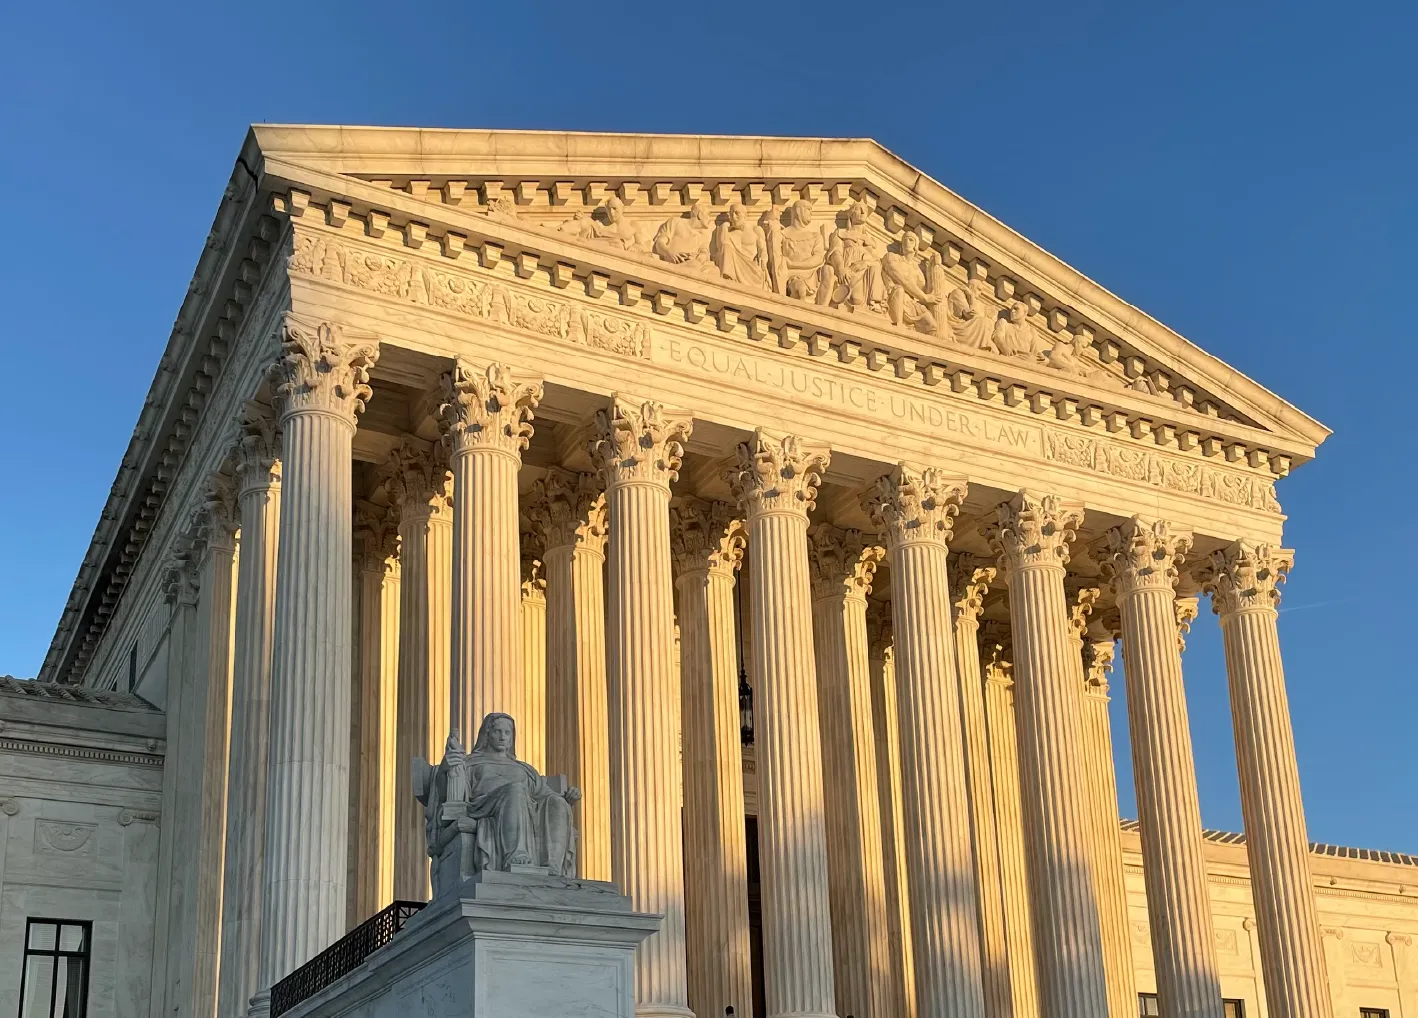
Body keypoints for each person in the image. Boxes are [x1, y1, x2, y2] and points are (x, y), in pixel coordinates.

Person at [441, 713, 579, 874]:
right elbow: (447, 791)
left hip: (525, 806)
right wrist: (446, 768)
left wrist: (567, 798)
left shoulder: (525, 769)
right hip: (484, 806)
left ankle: (552, 866)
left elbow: (543, 793)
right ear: (487, 734)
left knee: (557, 802)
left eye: (507, 733)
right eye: (497, 731)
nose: (502, 737)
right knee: (515, 790)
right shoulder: (470, 763)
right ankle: (516, 855)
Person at [881, 231, 950, 338]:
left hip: (910, 304)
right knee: (900, 290)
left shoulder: (917, 271)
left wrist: (932, 269)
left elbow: (927, 291)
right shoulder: (892, 257)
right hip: (893, 297)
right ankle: (897, 331)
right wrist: (925, 297)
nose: (906, 242)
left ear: (916, 246)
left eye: (911, 240)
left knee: (932, 326)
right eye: (904, 240)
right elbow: (902, 280)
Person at [818, 199, 883, 311]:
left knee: (875, 268)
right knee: (854, 299)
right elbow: (835, 252)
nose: (863, 212)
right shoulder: (840, 233)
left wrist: (865, 263)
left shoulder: (870, 240)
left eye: (865, 210)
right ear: (851, 214)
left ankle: (874, 303)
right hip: (847, 270)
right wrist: (841, 269)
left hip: (863, 271)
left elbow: (876, 260)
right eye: (859, 209)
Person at [765, 200, 829, 298]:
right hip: (791, 276)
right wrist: (772, 219)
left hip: (811, 275)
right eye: (808, 209)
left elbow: (818, 258)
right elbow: (773, 249)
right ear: (798, 211)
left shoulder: (815, 236)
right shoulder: (783, 234)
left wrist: (793, 264)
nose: (811, 213)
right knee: (800, 289)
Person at [712, 202, 769, 288]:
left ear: (745, 215)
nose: (733, 217)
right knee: (726, 247)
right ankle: (728, 279)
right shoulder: (727, 231)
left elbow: (763, 250)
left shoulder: (756, 230)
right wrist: (723, 228)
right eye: (731, 214)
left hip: (752, 269)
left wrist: (763, 260)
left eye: (737, 213)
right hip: (733, 268)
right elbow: (722, 246)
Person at [651, 200, 716, 276]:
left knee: (714, 270)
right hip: (672, 262)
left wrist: (698, 258)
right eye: (708, 215)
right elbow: (659, 243)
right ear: (700, 215)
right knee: (695, 265)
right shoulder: (676, 222)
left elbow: (704, 253)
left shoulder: (701, 237)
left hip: (691, 265)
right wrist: (668, 253)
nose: (710, 219)